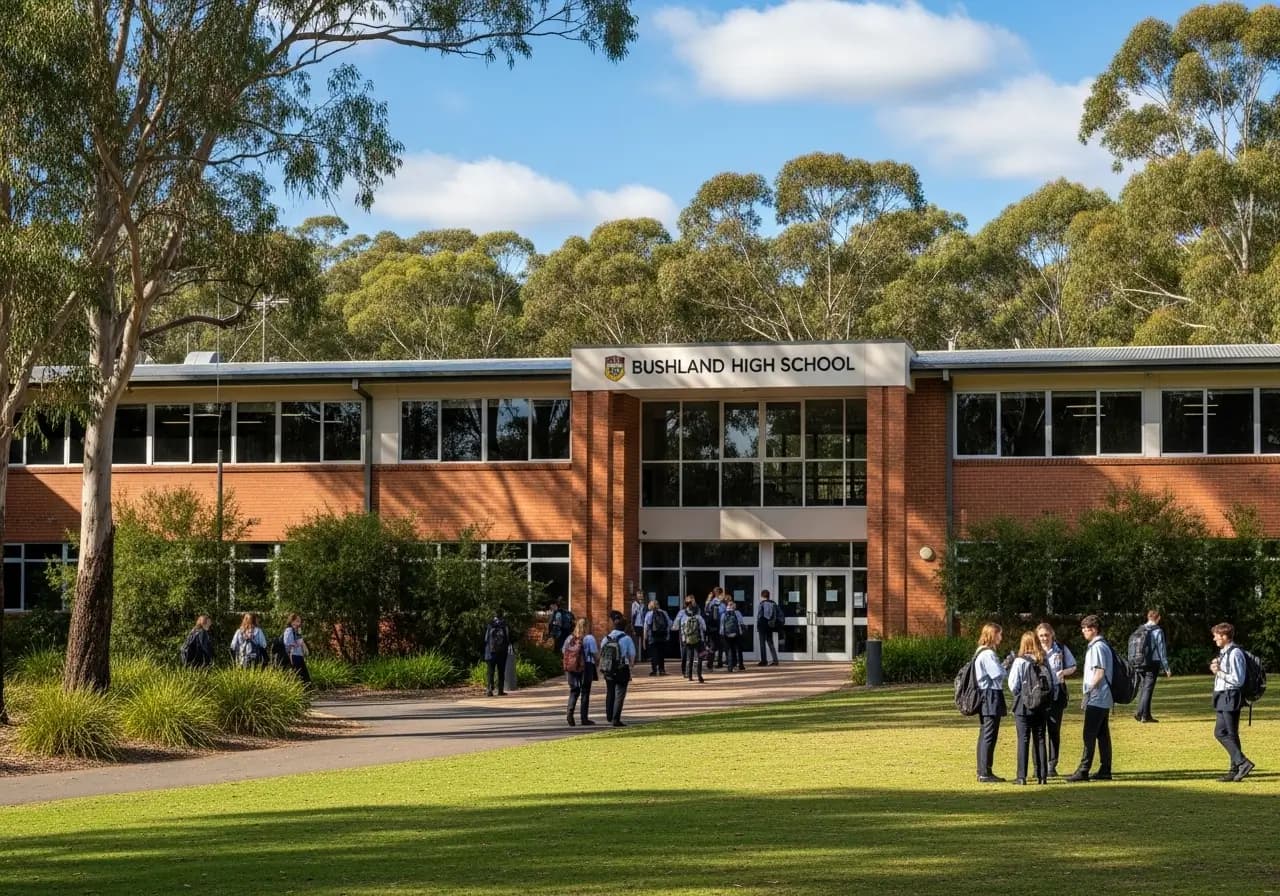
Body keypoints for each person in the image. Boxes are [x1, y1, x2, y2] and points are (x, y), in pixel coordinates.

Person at [1065, 615, 1114, 782]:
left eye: (1086, 628)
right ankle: (1105, 769)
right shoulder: (1101, 646)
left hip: (1097, 697)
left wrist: (1087, 693)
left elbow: (1099, 673)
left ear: (1094, 629)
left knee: (1089, 734)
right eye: (1083, 628)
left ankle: (1084, 769)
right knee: (1102, 734)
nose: (1084, 631)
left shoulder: (1097, 647)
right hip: (1103, 697)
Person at [1209, 622, 1255, 782]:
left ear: (1224, 636)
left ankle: (1242, 763)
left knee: (1222, 733)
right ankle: (1235, 768)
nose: (1214, 638)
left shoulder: (1235, 653)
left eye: (1216, 635)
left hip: (1230, 695)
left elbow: (1238, 679)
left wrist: (1219, 673)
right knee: (1229, 733)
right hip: (1223, 695)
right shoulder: (1225, 652)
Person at [1007, 631, 1049, 785]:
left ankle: (1021, 776)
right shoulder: (1042, 660)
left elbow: (1013, 685)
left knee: (1023, 740)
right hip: (1040, 705)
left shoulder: (1020, 661)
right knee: (1040, 738)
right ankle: (1042, 775)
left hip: (1023, 705)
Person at [1035, 622, 1077, 777]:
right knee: (1039, 732)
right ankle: (1038, 766)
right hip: (1039, 696)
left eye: (1046, 635)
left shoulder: (1061, 649)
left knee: (1054, 730)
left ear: (1052, 634)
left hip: (1057, 695)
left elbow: (1073, 666)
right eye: (1041, 636)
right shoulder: (1035, 650)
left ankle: (1052, 765)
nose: (1044, 638)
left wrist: (1064, 672)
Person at [973, 622, 1007, 783]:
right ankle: (985, 772)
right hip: (990, 694)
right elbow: (997, 674)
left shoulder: (981, 652)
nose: (1001, 637)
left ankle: (983, 770)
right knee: (989, 734)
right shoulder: (988, 654)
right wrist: (1005, 667)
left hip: (986, 695)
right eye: (999, 634)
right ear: (993, 635)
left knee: (985, 734)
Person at [1133, 608, 1171, 723]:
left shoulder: (1140, 629)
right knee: (1148, 689)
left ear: (1148, 617)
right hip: (1152, 663)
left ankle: (1146, 716)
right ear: (1158, 618)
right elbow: (1161, 650)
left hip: (1139, 662)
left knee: (1143, 688)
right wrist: (1166, 667)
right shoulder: (1157, 630)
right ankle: (1140, 713)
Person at [601, 616, 636, 727]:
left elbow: (602, 651)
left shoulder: (606, 638)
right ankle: (616, 719)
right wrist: (631, 665)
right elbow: (632, 654)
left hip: (608, 668)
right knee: (620, 694)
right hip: (621, 668)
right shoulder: (627, 638)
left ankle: (609, 715)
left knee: (610, 692)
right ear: (625, 627)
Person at [563, 618, 598, 727]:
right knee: (585, 692)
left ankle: (570, 714)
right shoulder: (589, 638)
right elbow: (594, 653)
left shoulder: (570, 638)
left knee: (574, 691)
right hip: (586, 666)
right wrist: (597, 662)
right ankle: (584, 718)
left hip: (572, 667)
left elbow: (563, 651)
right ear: (587, 626)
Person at [675, 596, 707, 683]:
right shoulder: (698, 616)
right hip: (699, 639)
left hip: (688, 639)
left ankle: (689, 676)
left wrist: (683, 637)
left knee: (690, 657)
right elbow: (704, 627)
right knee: (700, 657)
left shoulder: (683, 615)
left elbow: (677, 627)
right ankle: (699, 675)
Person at [483, 609, 512, 696]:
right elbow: (508, 638)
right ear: (502, 615)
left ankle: (489, 690)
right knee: (501, 671)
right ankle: (500, 690)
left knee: (490, 671)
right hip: (502, 652)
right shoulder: (504, 625)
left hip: (491, 652)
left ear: (494, 616)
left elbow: (486, 639)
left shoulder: (490, 624)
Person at [282, 613, 311, 686]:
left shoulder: (297, 630)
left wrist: (304, 647)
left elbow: (300, 641)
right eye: (297, 621)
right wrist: (296, 644)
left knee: (304, 674)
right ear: (292, 621)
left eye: (299, 621)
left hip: (299, 654)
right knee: (299, 673)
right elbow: (287, 642)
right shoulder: (289, 630)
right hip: (293, 655)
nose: (299, 622)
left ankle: (307, 689)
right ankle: (301, 689)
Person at [644, 599, 672, 676]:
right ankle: (662, 670)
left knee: (654, 654)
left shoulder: (649, 614)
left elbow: (646, 626)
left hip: (652, 637)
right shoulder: (664, 612)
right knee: (661, 654)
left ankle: (654, 670)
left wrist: (645, 637)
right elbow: (669, 624)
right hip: (662, 636)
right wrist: (667, 635)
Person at [720, 598, 746, 672]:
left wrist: (721, 634)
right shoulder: (737, 613)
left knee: (729, 650)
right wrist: (742, 631)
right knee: (738, 649)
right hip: (736, 634)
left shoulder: (723, 614)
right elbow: (741, 622)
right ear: (734, 606)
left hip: (726, 634)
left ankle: (730, 666)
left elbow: (722, 625)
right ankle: (740, 665)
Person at [756, 589, 781, 666]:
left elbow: (759, 615)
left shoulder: (762, 604)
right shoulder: (773, 603)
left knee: (762, 643)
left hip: (762, 625)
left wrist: (758, 625)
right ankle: (775, 660)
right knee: (770, 642)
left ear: (762, 596)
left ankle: (764, 661)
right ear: (768, 596)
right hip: (770, 625)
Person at [704, 586, 725, 669]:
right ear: (720, 593)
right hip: (720, 626)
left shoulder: (711, 602)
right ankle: (719, 662)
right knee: (720, 646)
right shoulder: (723, 603)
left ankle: (710, 663)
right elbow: (724, 613)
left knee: (712, 646)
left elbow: (706, 611)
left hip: (713, 627)